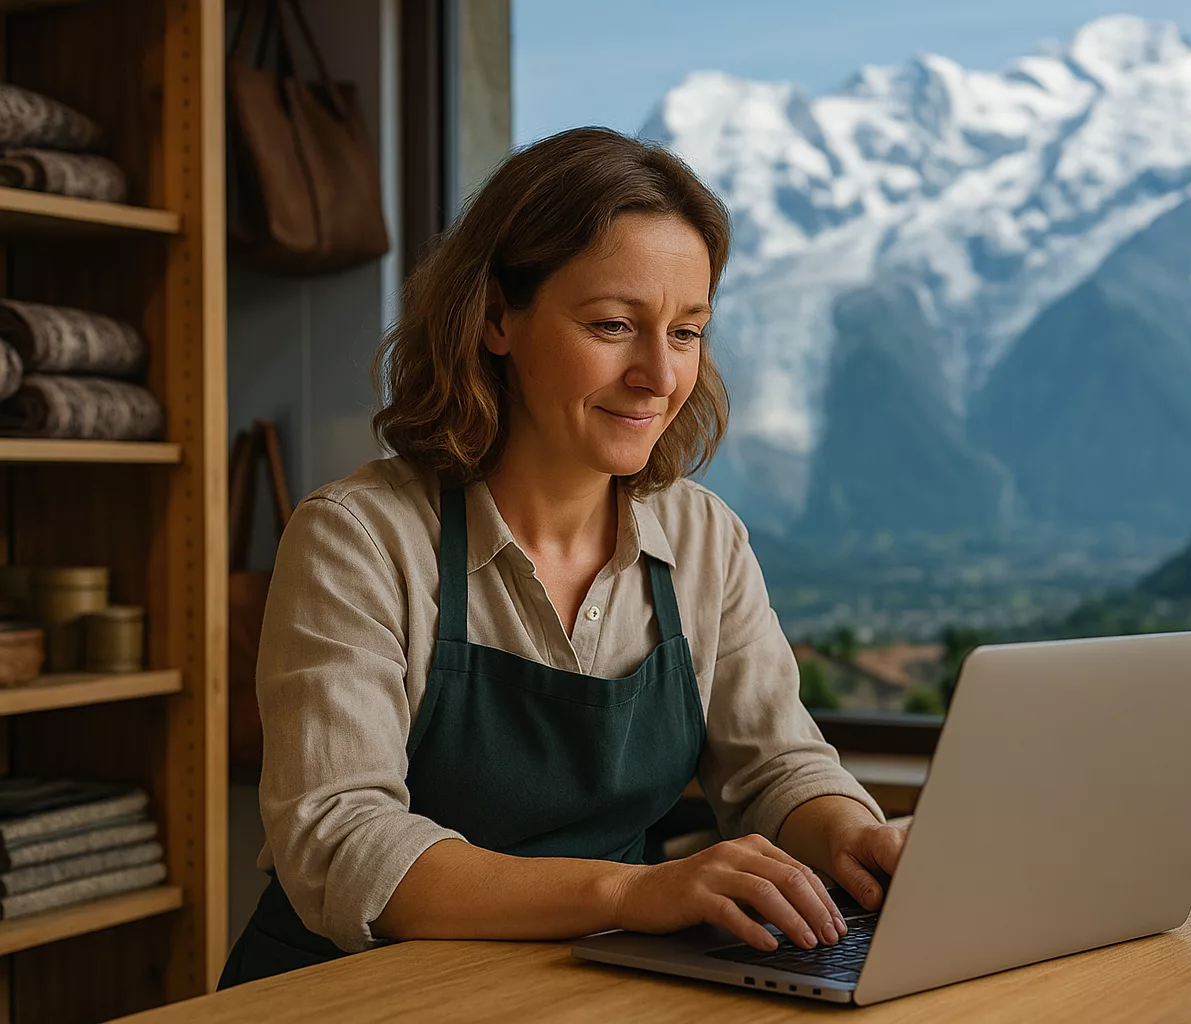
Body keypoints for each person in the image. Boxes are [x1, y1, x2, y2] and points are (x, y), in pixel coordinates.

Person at [219, 127, 907, 987]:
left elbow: (774, 765)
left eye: (688, 332)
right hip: (353, 992)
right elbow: (341, 843)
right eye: (614, 325)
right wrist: (633, 893)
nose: (659, 374)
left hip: (585, 984)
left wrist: (854, 837)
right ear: (498, 318)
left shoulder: (704, 538)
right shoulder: (358, 537)